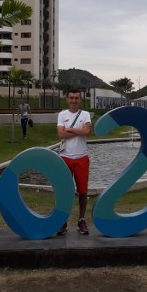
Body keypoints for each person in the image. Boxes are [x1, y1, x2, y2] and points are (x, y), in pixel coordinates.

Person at [56, 88, 92, 235]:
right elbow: (60, 134)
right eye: (71, 98)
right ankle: (62, 222)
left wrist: (70, 130)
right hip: (65, 157)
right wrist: (78, 130)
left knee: (83, 191)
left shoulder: (85, 114)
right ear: (67, 99)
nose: (74, 101)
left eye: (77, 98)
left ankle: (81, 220)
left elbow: (87, 132)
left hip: (82, 157)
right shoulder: (62, 114)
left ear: (80, 99)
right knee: (64, 191)